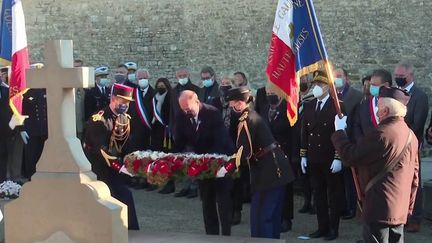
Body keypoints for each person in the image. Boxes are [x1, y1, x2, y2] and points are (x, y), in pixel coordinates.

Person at [331, 86, 418, 243]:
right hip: (399, 209)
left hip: (379, 208)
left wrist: (339, 132)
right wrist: (408, 209)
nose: (377, 111)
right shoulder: (411, 135)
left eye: (378, 107)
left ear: (385, 111)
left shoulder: (381, 134)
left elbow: (351, 156)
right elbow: (415, 178)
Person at [221, 86, 294, 239]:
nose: (230, 106)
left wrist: (227, 168)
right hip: (276, 168)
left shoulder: (246, 119)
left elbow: (243, 151)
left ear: (240, 103)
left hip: (268, 172)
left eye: (232, 102)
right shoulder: (253, 115)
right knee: (272, 216)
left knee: (261, 217)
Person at [173, 90, 235, 236]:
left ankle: (226, 236)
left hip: (220, 161)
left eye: (188, 108)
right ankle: (211, 236)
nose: (186, 112)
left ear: (197, 101)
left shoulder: (212, 113)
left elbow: (220, 140)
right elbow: (180, 140)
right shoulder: (182, 115)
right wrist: (172, 157)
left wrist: (208, 160)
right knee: (207, 201)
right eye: (183, 109)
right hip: (202, 165)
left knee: (223, 200)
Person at [83, 83, 139, 230]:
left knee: (124, 197)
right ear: (113, 98)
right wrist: (121, 168)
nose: (126, 105)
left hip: (115, 168)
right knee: (116, 197)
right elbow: (102, 150)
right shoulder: (98, 119)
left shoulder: (125, 119)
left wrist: (134, 163)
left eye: (128, 102)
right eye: (123, 101)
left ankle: (131, 231)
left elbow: (126, 146)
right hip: (98, 168)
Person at [300, 70, 344, 240]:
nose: (317, 87)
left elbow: (342, 133)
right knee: (318, 194)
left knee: (333, 195)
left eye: (320, 84)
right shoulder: (309, 105)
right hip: (314, 157)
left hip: (330, 157)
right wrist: (303, 154)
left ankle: (334, 229)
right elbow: (305, 131)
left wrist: (338, 157)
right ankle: (322, 227)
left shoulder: (338, 105)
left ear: (328, 86)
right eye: (315, 84)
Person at [394, 61, 429, 233]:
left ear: (411, 76)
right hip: (395, 146)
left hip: (411, 145)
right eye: (397, 76)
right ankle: (402, 216)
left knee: (414, 183)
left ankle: (415, 218)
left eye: (402, 77)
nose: (398, 79)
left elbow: (418, 124)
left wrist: (400, 137)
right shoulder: (395, 93)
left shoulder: (420, 96)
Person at [256, 87, 295, 233]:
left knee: (286, 187)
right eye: (268, 94)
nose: (270, 96)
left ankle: (286, 218)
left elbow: (293, 133)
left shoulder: (287, 108)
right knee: (272, 187)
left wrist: (295, 155)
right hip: (267, 155)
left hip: (284, 152)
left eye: (273, 93)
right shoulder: (265, 108)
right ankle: (273, 215)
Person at [170, 67, 201, 198]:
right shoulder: (174, 91)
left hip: (192, 128)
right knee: (182, 158)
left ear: (188, 74)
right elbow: (171, 110)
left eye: (184, 75)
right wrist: (171, 127)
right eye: (179, 75)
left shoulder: (196, 89)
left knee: (193, 157)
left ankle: (194, 186)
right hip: (178, 128)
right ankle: (185, 186)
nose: (182, 77)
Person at [126, 68, 155, 190]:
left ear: (148, 78)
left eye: (144, 78)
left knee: (149, 156)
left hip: (150, 131)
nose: (142, 80)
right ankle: (139, 178)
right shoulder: (133, 94)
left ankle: (149, 180)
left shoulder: (154, 93)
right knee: (138, 156)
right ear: (137, 80)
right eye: (140, 78)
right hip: (136, 130)